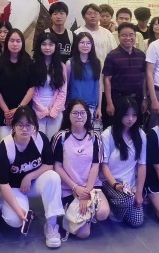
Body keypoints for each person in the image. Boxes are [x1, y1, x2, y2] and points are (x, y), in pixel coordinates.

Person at [0, 106, 64, 248]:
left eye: (28, 125)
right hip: (13, 188)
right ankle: (6, 203)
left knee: (53, 177)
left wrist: (29, 177)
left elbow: (49, 165)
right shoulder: (5, 147)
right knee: (16, 220)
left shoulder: (40, 139)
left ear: (34, 126)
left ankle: (51, 226)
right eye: (20, 125)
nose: (24, 129)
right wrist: (18, 210)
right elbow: (3, 183)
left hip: (33, 184)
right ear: (13, 126)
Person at [51, 100, 109, 239]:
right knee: (84, 234)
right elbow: (57, 167)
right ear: (68, 115)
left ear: (87, 115)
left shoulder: (95, 137)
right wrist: (75, 187)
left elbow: (95, 166)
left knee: (103, 213)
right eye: (75, 113)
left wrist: (86, 193)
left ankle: (87, 214)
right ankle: (80, 215)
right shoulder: (61, 137)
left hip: (91, 187)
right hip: (69, 188)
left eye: (82, 113)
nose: (79, 116)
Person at [100, 97, 147, 228]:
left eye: (134, 115)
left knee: (137, 220)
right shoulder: (108, 134)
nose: (130, 119)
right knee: (125, 200)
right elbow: (103, 166)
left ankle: (121, 207)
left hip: (129, 185)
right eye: (126, 114)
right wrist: (115, 185)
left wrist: (139, 192)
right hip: (110, 182)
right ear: (119, 114)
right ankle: (112, 206)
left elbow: (142, 165)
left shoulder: (140, 134)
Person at [104, 23, 147, 127]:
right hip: (118, 99)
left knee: (136, 127)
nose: (128, 38)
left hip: (137, 98)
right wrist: (109, 103)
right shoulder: (111, 56)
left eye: (131, 35)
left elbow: (144, 79)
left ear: (135, 36)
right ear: (118, 37)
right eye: (124, 35)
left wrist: (145, 98)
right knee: (118, 127)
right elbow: (107, 80)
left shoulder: (141, 55)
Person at [0, 29, 34, 138]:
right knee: (4, 142)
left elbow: (31, 88)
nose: (15, 44)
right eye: (12, 41)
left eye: (18, 41)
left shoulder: (29, 63)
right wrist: (6, 111)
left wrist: (19, 109)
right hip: (3, 111)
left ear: (22, 43)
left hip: (24, 111)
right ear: (7, 42)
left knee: (23, 142)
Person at [31, 33, 67, 140]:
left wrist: (54, 111)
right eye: (44, 44)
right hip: (37, 109)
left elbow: (63, 91)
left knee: (53, 140)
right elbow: (32, 91)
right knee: (38, 140)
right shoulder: (33, 65)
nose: (47, 47)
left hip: (55, 110)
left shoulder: (61, 66)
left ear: (55, 46)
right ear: (39, 46)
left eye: (51, 44)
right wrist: (42, 110)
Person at [67, 32, 103, 130]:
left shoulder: (97, 63)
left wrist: (99, 107)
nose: (85, 45)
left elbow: (99, 86)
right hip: (75, 106)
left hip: (92, 106)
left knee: (91, 134)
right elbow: (65, 87)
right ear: (77, 44)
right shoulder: (70, 63)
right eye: (82, 42)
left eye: (88, 43)